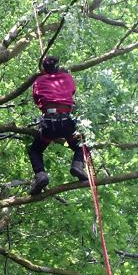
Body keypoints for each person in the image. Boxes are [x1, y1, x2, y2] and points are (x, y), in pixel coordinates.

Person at [28, 55, 88, 195]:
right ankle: (77, 166)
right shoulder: (67, 78)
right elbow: (72, 91)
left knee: (35, 150)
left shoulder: (39, 81)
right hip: (66, 122)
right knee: (81, 146)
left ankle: (41, 175)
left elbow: (36, 99)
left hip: (49, 124)